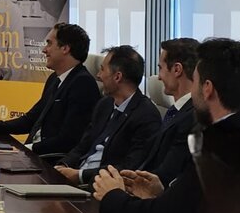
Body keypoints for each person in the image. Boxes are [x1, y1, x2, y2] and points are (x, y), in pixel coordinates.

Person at [94, 38, 240, 213]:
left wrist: (112, 195)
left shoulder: (222, 147)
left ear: (207, 89)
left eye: (196, 81)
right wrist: (162, 195)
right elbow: (188, 209)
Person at [0, 23, 101, 155]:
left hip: (51, 162)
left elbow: (68, 140)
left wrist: (22, 149)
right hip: (35, 154)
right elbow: (30, 120)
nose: (44, 50)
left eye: (49, 43)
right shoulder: (54, 79)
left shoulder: (83, 84)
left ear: (65, 48)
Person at [53, 46, 161, 185]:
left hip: (98, 188)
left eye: (102, 69)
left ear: (117, 77)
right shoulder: (104, 104)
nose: (98, 75)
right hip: (76, 179)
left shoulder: (146, 116)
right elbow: (83, 145)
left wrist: (80, 175)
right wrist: (63, 165)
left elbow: (129, 167)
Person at [136, 38, 199, 185]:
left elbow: (166, 174)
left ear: (177, 69)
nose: (158, 77)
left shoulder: (192, 117)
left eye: (160, 68)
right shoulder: (175, 112)